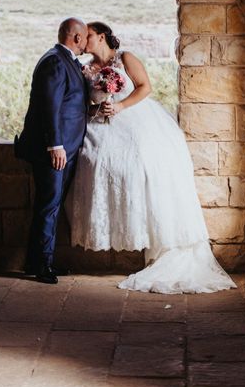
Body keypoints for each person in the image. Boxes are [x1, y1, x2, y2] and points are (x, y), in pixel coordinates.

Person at [67, 21, 236, 294]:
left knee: (144, 165)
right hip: (100, 123)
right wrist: (97, 106)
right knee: (93, 161)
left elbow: (145, 87)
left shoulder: (125, 58)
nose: (83, 40)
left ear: (101, 36)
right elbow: (84, 101)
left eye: (87, 36)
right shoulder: (85, 68)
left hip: (133, 117)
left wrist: (120, 105)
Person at [14, 17, 88, 284]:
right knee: (48, 205)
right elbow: (50, 107)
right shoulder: (56, 61)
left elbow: (70, 103)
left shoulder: (65, 60)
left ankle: (39, 260)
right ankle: (41, 264)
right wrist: (55, 145)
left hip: (64, 148)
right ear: (76, 38)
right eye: (85, 37)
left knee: (51, 205)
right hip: (54, 151)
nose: (87, 43)